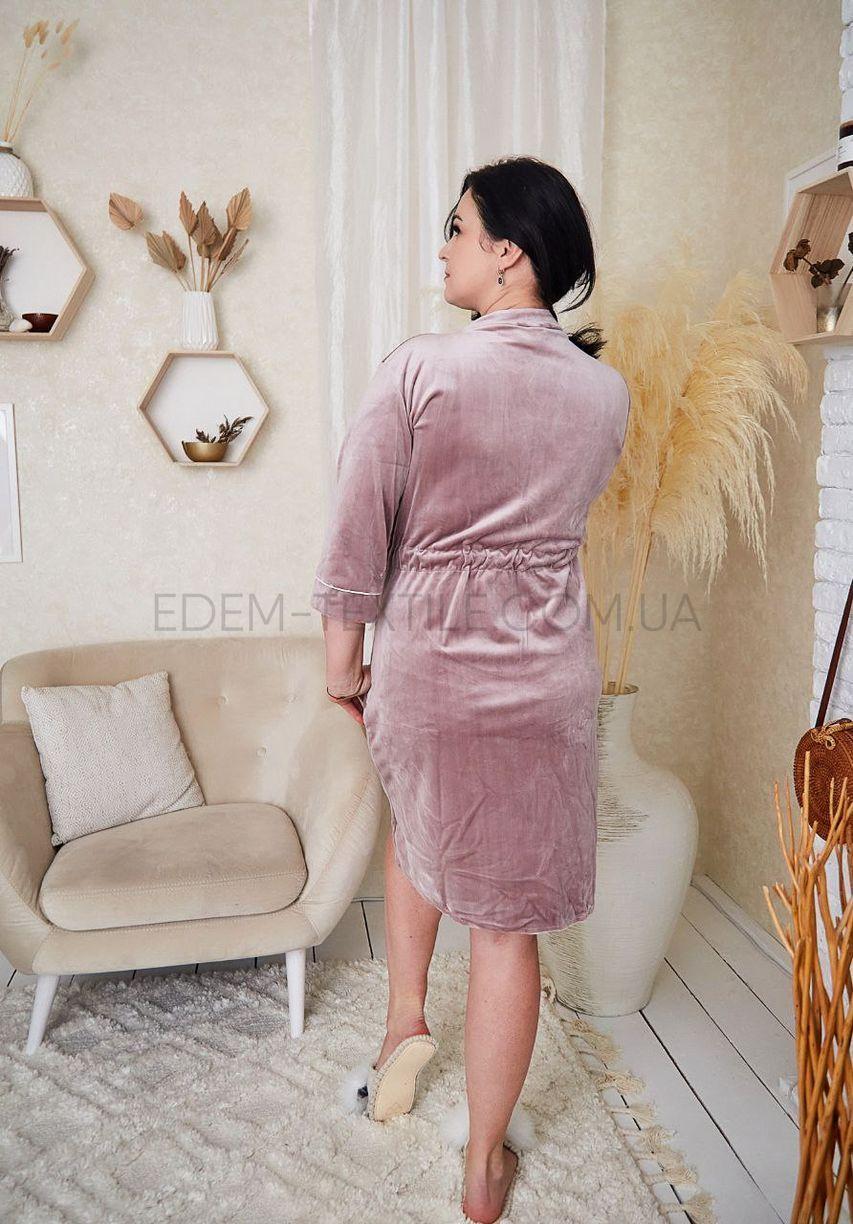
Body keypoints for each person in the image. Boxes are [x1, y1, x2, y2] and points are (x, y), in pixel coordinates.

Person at [310, 155, 631, 1224]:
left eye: (457, 228)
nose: (441, 248)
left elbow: (358, 529)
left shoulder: (420, 369)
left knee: (419, 829)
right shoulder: (604, 392)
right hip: (546, 672)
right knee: (507, 928)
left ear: (508, 252)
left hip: (430, 666)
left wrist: (342, 663)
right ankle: (482, 1168)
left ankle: (404, 1023)